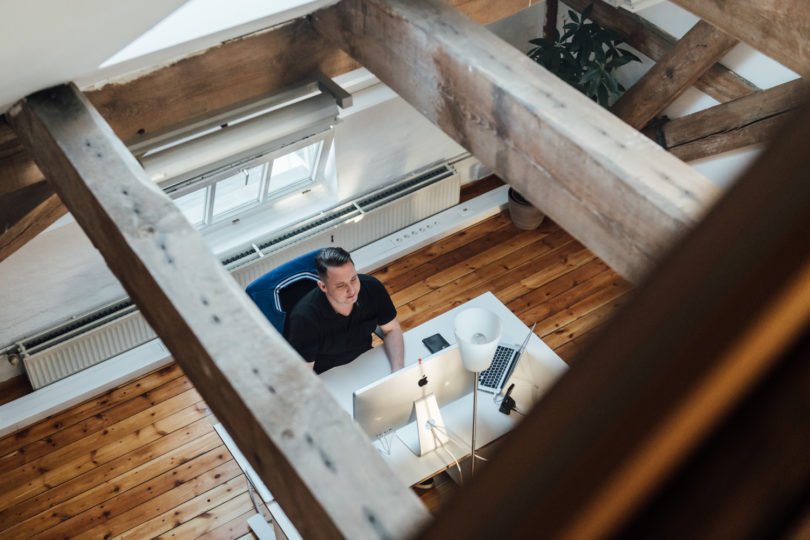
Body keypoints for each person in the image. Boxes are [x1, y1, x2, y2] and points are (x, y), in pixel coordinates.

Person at [284, 247, 404, 375]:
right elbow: (304, 375)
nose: (352, 290)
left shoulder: (372, 287)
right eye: (341, 285)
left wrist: (398, 370)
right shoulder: (304, 319)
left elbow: (392, 330)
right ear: (323, 286)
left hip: (366, 362)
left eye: (353, 279)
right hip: (328, 375)